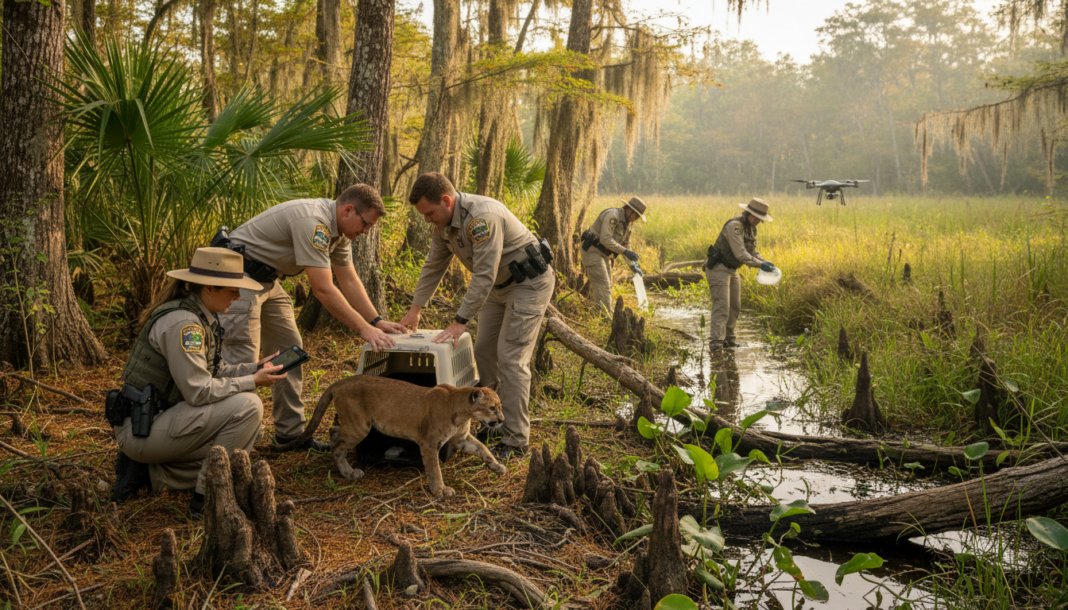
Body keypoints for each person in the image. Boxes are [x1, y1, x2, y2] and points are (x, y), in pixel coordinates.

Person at [216, 184, 407, 451]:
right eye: (366, 224)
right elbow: (323, 289)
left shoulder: (339, 233)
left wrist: (376, 321)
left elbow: (348, 279)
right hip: (239, 279)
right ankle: (231, 447)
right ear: (348, 210)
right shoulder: (314, 222)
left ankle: (290, 434)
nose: (366, 232)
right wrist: (363, 329)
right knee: (243, 359)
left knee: (290, 353)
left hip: (268, 279)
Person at [110, 248, 287, 518]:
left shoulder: (201, 314)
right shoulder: (185, 324)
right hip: (143, 430)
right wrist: (252, 381)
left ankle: (149, 473)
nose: (238, 296)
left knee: (243, 448)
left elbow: (213, 371)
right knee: (248, 408)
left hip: (156, 422)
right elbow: (199, 390)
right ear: (209, 288)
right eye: (232, 290)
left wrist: (256, 368)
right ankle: (208, 497)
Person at [399, 172, 554, 460]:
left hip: (528, 286)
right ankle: (492, 420)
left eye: (430, 213)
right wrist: (415, 309)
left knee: (511, 358)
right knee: (483, 351)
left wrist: (460, 321)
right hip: (498, 287)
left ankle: (516, 439)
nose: (427, 220)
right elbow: (434, 265)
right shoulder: (443, 225)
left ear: (446, 200)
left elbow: (483, 274)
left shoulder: (482, 218)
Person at [704, 198, 776, 352]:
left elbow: (751, 250)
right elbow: (740, 253)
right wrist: (759, 264)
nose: (758, 222)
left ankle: (728, 340)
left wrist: (763, 261)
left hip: (732, 270)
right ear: (751, 214)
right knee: (722, 306)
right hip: (719, 269)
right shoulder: (734, 226)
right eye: (757, 218)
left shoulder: (749, 228)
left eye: (760, 219)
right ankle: (716, 343)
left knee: (735, 307)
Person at [580, 197, 648, 313]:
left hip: (603, 254)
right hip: (592, 250)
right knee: (603, 283)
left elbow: (627, 244)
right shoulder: (613, 216)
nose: (636, 219)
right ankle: (605, 315)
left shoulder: (627, 224)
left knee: (608, 284)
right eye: (636, 216)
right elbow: (605, 239)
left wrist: (632, 266)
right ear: (629, 210)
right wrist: (624, 251)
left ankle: (599, 310)